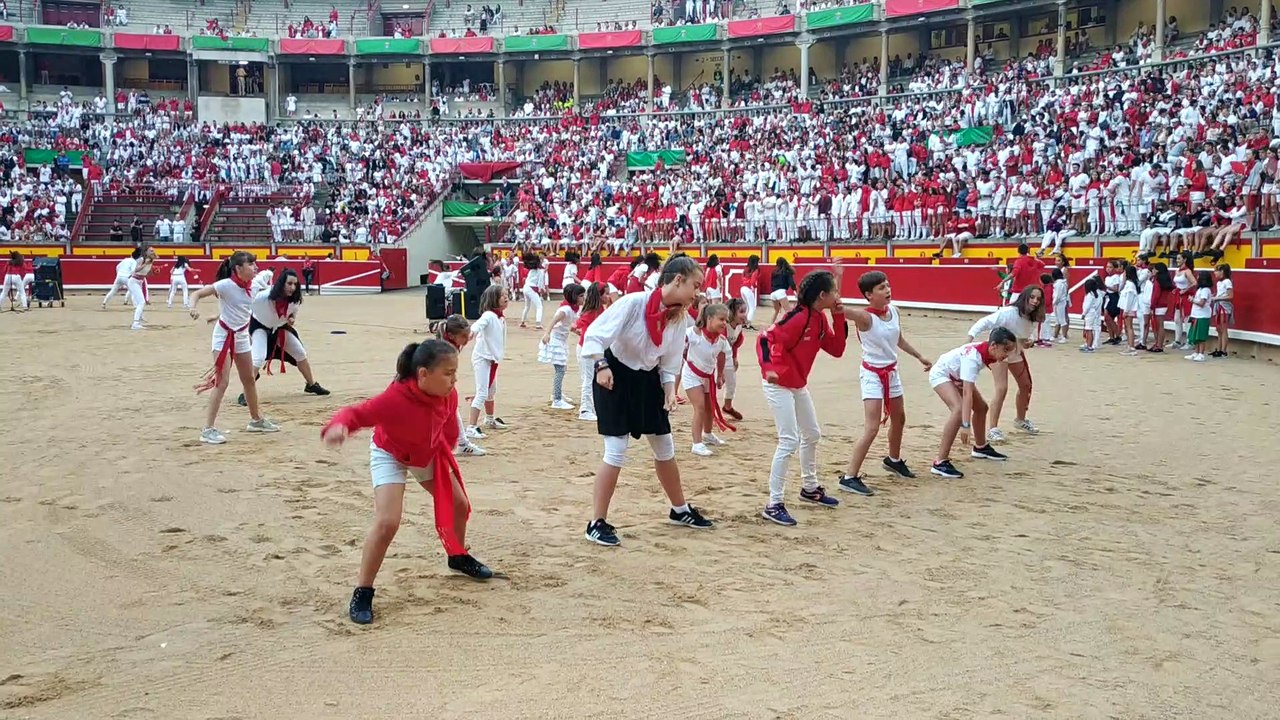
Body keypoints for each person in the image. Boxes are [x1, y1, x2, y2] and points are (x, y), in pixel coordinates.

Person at [321, 339, 494, 625]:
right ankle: (363, 591)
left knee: (459, 505)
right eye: (447, 373)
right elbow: (357, 413)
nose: (454, 380)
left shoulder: (448, 395)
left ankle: (457, 555)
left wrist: (446, 448)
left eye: (455, 372)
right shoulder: (394, 399)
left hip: (426, 453)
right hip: (390, 454)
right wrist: (338, 426)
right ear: (423, 374)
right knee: (388, 521)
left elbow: (450, 425)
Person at [580, 255, 712, 547]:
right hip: (615, 376)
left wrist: (668, 390)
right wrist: (601, 367)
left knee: (664, 445)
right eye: (695, 285)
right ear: (678, 280)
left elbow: (670, 360)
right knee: (616, 449)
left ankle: (679, 510)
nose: (698, 293)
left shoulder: (678, 318)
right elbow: (595, 335)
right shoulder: (634, 303)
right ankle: (596, 522)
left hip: (648, 381)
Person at [756, 264, 848, 527]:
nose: (837, 296)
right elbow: (765, 338)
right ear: (822, 296)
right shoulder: (798, 317)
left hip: (796, 384)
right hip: (779, 384)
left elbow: (836, 349)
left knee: (812, 434)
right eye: (834, 292)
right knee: (788, 440)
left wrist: (839, 317)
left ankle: (809, 487)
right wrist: (769, 368)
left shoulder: (818, 318)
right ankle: (774, 503)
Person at [836, 270, 932, 497]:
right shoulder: (865, 317)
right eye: (881, 288)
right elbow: (837, 309)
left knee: (899, 418)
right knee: (872, 427)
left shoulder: (894, 311)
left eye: (887, 285)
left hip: (891, 372)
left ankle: (893, 459)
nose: (887, 290)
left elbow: (898, 339)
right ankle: (849, 476)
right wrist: (837, 278)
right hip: (871, 374)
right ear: (869, 295)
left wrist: (919, 356)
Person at [188, 251, 280, 444]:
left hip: (241, 335)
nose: (255, 268)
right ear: (238, 268)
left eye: (255, 264)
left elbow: (243, 304)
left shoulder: (254, 284)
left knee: (249, 379)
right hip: (223, 337)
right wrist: (192, 307)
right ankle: (208, 429)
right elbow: (197, 293)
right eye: (251, 265)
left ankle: (256, 420)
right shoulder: (225, 285)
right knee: (222, 382)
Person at [926, 327, 1017, 479]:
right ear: (993, 345)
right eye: (1006, 350)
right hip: (941, 375)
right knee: (958, 410)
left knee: (981, 408)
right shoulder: (972, 359)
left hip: (956, 375)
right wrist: (965, 425)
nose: (1007, 355)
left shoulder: (987, 349)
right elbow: (967, 393)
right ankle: (940, 462)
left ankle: (980, 447)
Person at [966, 286, 1044, 442]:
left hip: (1015, 350)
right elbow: (984, 322)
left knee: (1026, 385)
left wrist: (1029, 342)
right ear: (1025, 297)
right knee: (1001, 388)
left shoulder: (1033, 317)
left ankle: (1020, 420)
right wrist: (968, 340)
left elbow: (1023, 337)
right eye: (1032, 297)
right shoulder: (1008, 313)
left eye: (1038, 299)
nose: (1035, 301)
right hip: (999, 351)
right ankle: (993, 429)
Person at [243, 269, 331, 402]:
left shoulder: (294, 300)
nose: (292, 287)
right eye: (289, 283)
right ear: (281, 284)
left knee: (300, 353)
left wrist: (291, 318)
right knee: (258, 359)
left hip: (279, 328)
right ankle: (245, 393)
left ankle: (311, 384)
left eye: (295, 284)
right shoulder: (262, 298)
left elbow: (292, 313)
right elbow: (244, 306)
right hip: (259, 327)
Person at [682, 302, 733, 457]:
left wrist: (720, 375)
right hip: (691, 375)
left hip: (708, 377)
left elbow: (722, 355)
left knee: (710, 408)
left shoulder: (721, 341)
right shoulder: (693, 334)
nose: (724, 323)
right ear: (709, 319)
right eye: (721, 319)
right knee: (700, 407)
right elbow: (679, 346)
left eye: (726, 320)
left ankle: (708, 434)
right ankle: (696, 444)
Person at [438, 314, 486, 457]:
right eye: (464, 336)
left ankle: (462, 442)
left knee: (451, 410)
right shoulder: (444, 350)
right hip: (435, 383)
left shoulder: (452, 341)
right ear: (452, 336)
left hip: (442, 381)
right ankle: (461, 443)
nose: (468, 339)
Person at [466, 285, 509, 439]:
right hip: (482, 358)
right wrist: (472, 332)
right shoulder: (489, 315)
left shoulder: (500, 318)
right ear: (493, 299)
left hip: (492, 359)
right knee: (482, 392)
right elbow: (479, 324)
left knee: (491, 391)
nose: (506, 297)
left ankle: (489, 419)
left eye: (506, 294)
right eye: (502, 295)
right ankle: (471, 427)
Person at [538, 282, 585, 410]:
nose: (583, 298)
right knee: (560, 369)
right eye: (581, 296)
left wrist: (576, 332)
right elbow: (553, 322)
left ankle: (556, 394)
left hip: (561, 341)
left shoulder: (572, 309)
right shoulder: (565, 310)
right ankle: (557, 399)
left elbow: (566, 325)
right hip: (556, 341)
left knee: (562, 369)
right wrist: (547, 334)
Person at [574, 281, 611, 423]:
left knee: (591, 380)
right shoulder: (591, 312)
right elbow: (575, 325)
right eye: (606, 294)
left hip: (591, 349)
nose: (608, 296)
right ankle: (585, 409)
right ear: (599, 296)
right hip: (586, 350)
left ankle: (590, 407)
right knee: (588, 380)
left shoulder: (599, 310)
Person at [721, 298, 748, 421]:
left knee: (731, 383)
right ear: (732, 313)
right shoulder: (723, 326)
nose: (745, 314)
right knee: (710, 385)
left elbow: (736, 343)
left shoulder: (738, 327)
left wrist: (734, 357)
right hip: (714, 358)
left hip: (727, 356)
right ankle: (709, 409)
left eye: (745, 311)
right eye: (741, 311)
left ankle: (727, 406)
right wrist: (720, 370)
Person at [1185, 270, 1214, 362]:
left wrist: (1192, 300)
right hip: (1197, 315)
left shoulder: (1205, 290)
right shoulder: (1201, 289)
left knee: (1201, 336)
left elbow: (1202, 303)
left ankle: (1201, 354)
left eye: (1199, 276)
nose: (1197, 278)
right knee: (1195, 335)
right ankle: (1196, 352)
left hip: (1203, 315)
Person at [127, 247, 155, 330]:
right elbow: (136, 270)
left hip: (139, 281)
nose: (153, 252)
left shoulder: (151, 261)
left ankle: (138, 319)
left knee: (140, 302)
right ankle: (135, 323)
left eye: (153, 251)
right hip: (134, 281)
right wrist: (145, 264)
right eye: (151, 251)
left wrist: (154, 271)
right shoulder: (141, 259)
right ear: (146, 252)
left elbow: (147, 273)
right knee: (141, 302)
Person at [518, 253, 548, 329]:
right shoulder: (541, 271)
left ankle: (522, 321)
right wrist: (542, 289)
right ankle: (538, 323)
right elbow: (540, 283)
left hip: (526, 287)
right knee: (539, 306)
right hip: (531, 289)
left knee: (527, 306)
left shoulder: (531, 270)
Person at [1210, 263, 1234, 358]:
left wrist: (1217, 298)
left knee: (1223, 329)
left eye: (1217, 271)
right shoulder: (1220, 282)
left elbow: (1230, 296)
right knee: (1219, 329)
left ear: (1222, 272)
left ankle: (1223, 351)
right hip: (1218, 305)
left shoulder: (1227, 281)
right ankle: (1219, 349)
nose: (1215, 273)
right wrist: (1215, 296)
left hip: (1223, 306)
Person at [767, 257, 796, 325]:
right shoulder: (787, 272)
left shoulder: (774, 272)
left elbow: (771, 283)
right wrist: (795, 290)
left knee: (776, 311)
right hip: (780, 293)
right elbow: (792, 283)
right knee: (788, 311)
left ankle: (771, 326)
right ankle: (789, 325)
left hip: (773, 294)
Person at [1079, 276, 1103, 353]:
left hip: (1089, 313)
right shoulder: (1095, 294)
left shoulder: (1090, 295)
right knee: (1089, 329)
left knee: (1088, 329)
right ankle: (1089, 345)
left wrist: (1083, 314)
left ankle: (1089, 346)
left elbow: (1087, 306)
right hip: (1092, 313)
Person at [739, 255, 760, 330]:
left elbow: (742, 277)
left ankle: (744, 323)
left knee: (747, 306)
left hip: (742, 288)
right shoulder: (755, 269)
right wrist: (753, 286)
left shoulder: (746, 268)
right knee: (752, 307)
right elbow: (753, 280)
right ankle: (748, 323)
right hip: (748, 288)